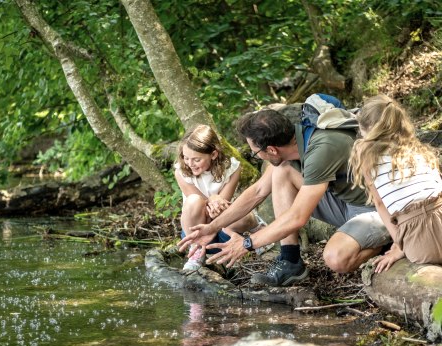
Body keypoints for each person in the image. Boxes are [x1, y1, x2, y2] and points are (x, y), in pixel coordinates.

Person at [178, 107, 392, 286]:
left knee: (336, 258)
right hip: (344, 202)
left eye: (255, 152)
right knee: (281, 172)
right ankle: (291, 261)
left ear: (271, 150)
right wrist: (212, 227)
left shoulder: (322, 149)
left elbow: (298, 217)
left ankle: (384, 242)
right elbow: (258, 192)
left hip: (375, 210)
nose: (257, 156)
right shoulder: (292, 145)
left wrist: (246, 244)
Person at [349, 94, 442, 273]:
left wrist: (399, 245)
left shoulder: (365, 152)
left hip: (420, 240)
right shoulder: (417, 149)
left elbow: (380, 203)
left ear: (366, 130)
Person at [174, 124, 261, 271]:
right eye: (186, 158)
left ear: (213, 154)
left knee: (243, 214)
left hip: (223, 229)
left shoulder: (232, 168)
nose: (190, 164)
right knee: (194, 201)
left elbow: (220, 207)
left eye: (196, 159)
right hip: (196, 233)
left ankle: (258, 231)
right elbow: (202, 206)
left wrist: (216, 199)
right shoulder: (181, 172)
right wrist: (213, 198)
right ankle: (196, 254)